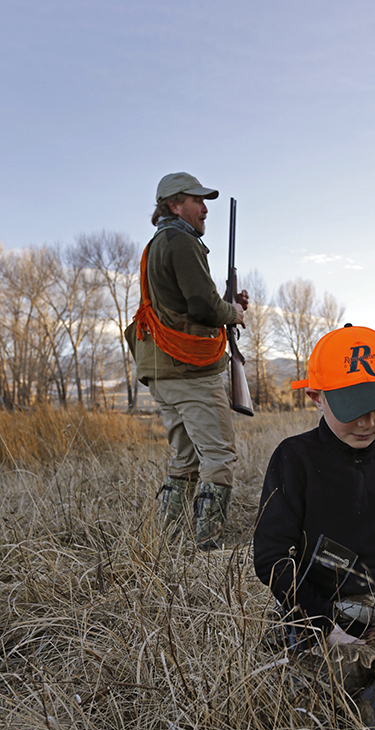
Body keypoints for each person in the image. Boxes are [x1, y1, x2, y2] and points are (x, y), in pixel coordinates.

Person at [253, 324, 375, 648]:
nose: (366, 422)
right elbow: (272, 557)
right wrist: (325, 627)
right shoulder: (295, 458)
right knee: (335, 693)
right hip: (313, 614)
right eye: (352, 408)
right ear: (317, 397)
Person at [126, 171, 248, 548]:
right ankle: (207, 545)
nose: (205, 208)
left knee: (184, 458)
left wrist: (226, 305)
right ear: (174, 205)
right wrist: (234, 314)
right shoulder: (181, 241)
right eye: (197, 200)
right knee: (219, 456)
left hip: (163, 370)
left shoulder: (158, 243)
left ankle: (169, 538)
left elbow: (186, 304)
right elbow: (201, 304)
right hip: (190, 369)